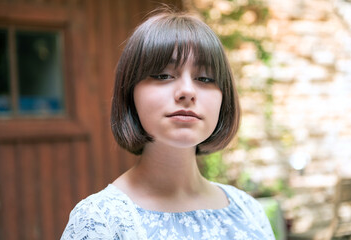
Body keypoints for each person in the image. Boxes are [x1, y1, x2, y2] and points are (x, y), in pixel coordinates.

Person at [61, 8, 275, 240]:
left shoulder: (248, 211)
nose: (187, 91)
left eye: (205, 78)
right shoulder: (100, 220)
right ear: (130, 92)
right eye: (163, 75)